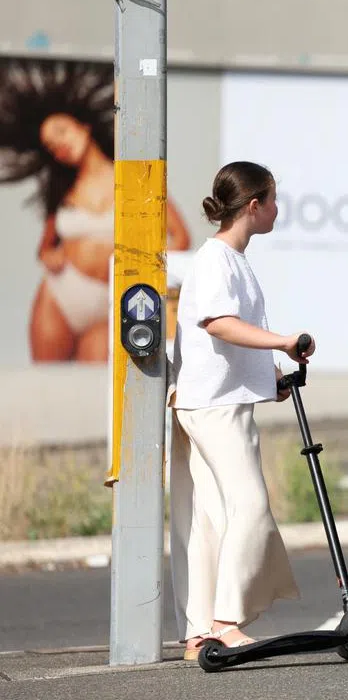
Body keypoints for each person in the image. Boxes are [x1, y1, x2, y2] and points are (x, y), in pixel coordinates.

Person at [169, 161, 310, 661]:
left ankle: (199, 631)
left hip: (212, 400)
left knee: (209, 518)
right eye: (273, 199)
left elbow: (227, 338)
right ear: (254, 205)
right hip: (214, 408)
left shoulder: (230, 258)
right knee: (249, 507)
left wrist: (267, 375)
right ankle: (227, 621)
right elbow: (219, 324)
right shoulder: (217, 259)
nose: (278, 208)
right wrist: (285, 342)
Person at [0, 58, 190, 362]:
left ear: (83, 125)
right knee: (47, 384)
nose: (59, 146)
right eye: (51, 146)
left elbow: (180, 238)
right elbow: (45, 248)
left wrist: (145, 257)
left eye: (61, 132)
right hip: (61, 295)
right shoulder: (64, 191)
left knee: (96, 383)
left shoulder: (135, 179)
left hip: (115, 297)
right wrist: (50, 256)